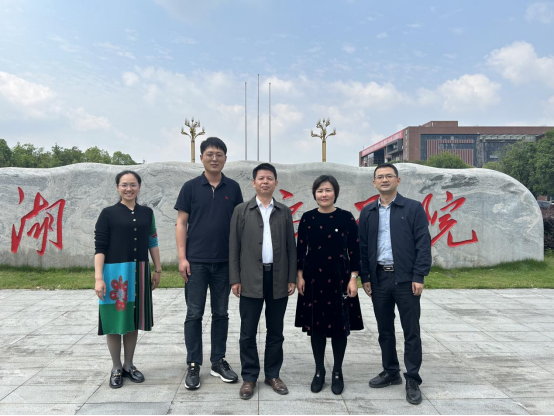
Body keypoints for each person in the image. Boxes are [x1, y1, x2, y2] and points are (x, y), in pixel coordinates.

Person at [358, 163, 432, 406]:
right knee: (385, 329)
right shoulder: (368, 212)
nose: (384, 180)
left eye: (389, 176)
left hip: (406, 279)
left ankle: (412, 378)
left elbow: (423, 243)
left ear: (398, 180)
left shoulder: (413, 208)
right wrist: (365, 277)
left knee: (411, 330)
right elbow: (362, 247)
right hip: (379, 278)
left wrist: (419, 275)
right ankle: (391, 371)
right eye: (380, 177)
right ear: (374, 183)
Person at [174, 137, 244, 390]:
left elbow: (239, 225)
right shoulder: (190, 187)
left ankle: (218, 361)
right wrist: (182, 258)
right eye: (210, 154)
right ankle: (193, 363)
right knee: (194, 313)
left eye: (219, 154)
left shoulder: (233, 188)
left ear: (225, 158)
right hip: (196, 263)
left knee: (221, 313)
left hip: (224, 263)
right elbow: (181, 223)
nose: (214, 158)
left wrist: (238, 262)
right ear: (202, 157)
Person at [229, 163, 297, 400]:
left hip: (278, 278)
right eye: (261, 178)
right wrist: (235, 278)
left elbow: (291, 247)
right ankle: (249, 377)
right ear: (254, 183)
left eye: (269, 178)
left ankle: (272, 374)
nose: (265, 182)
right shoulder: (241, 210)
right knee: (247, 332)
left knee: (275, 331)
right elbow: (233, 247)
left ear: (276, 183)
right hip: (249, 278)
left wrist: (291, 277)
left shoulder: (284, 211)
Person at [295, 175, 364, 395]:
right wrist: (300, 276)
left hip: (340, 278)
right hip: (313, 278)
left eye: (328, 190)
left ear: (335, 193)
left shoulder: (346, 217)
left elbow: (354, 250)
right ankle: (319, 371)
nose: (324, 194)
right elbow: (300, 249)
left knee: (339, 329)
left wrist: (353, 278)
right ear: (314, 194)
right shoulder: (308, 218)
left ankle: (337, 371)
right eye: (320, 191)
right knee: (316, 328)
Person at [94, 170, 162, 389]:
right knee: (114, 322)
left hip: (139, 272)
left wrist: (157, 269)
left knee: (133, 320)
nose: (129, 188)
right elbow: (100, 247)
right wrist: (98, 278)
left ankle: (129, 365)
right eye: (124, 185)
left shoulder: (147, 213)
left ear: (139, 187)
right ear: (117, 188)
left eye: (133, 184)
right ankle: (116, 367)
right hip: (114, 275)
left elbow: (152, 241)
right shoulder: (107, 213)